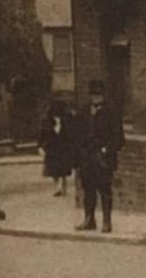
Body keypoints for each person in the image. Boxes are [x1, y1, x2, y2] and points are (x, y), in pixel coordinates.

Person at [72, 79, 124, 233]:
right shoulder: (83, 111)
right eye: (94, 95)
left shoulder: (112, 112)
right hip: (87, 157)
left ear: (103, 96)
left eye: (99, 95)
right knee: (88, 188)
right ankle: (89, 220)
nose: (96, 98)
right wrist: (80, 151)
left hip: (103, 158)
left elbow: (119, 138)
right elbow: (77, 133)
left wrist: (106, 149)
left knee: (104, 188)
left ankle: (107, 221)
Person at [38, 98, 74, 197]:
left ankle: (63, 186)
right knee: (54, 169)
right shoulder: (47, 122)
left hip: (63, 147)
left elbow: (70, 134)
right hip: (52, 148)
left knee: (63, 169)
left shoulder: (66, 120)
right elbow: (42, 135)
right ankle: (57, 186)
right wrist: (41, 146)